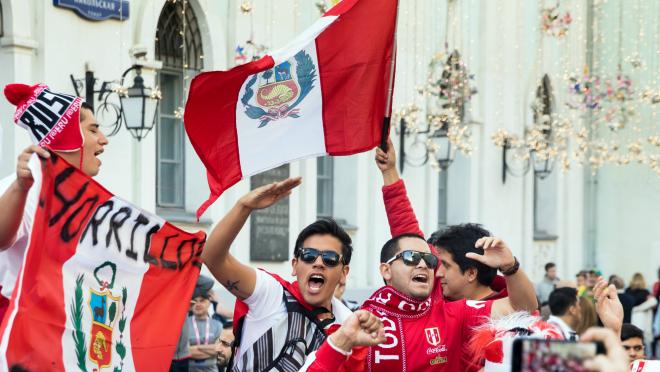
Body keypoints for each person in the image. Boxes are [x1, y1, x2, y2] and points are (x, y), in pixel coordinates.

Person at [308, 231, 539, 372]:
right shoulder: (357, 324)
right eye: (410, 258)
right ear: (386, 270)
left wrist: (510, 267)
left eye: (429, 260)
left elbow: (523, 309)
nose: (422, 265)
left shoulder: (454, 314)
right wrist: (344, 340)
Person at [202, 179, 355, 371]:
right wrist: (244, 206)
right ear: (294, 265)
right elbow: (212, 257)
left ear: (344, 272)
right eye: (308, 255)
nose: (318, 263)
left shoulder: (348, 325)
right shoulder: (271, 293)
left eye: (330, 258)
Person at [0, 83, 109, 321]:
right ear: (66, 136)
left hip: (61, 329)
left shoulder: (82, 196)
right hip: (19, 330)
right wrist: (20, 187)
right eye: (93, 130)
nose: (104, 140)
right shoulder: (25, 185)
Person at [375, 138, 509, 303]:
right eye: (435, 263)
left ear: (471, 273)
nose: (434, 271)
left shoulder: (509, 313)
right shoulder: (439, 291)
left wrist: (511, 267)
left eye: (443, 265)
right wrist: (389, 171)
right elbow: (404, 224)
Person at [188, 275, 224, 372]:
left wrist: (196, 347)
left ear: (209, 303)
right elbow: (183, 351)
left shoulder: (218, 325)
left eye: (202, 301)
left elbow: (220, 350)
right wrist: (210, 349)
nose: (198, 304)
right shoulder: (183, 325)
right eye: (195, 301)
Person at [627, 273, 658, 352]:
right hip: (642, 319)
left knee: (631, 339)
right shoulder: (645, 292)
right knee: (642, 341)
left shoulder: (627, 291)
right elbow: (654, 302)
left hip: (631, 317)